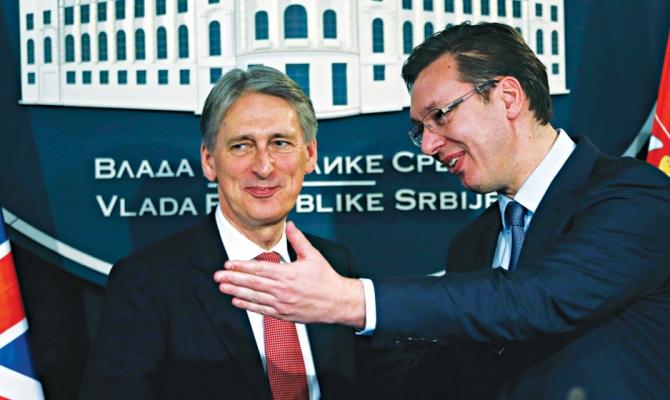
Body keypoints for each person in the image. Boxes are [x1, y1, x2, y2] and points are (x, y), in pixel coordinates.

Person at [213, 22, 670, 399]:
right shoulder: (473, 243)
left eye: (440, 115)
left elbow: (537, 298)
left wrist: (353, 300)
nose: (429, 144)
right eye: (420, 129)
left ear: (508, 97)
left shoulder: (634, 196)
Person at [79, 66, 358, 399]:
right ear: (209, 161)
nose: (264, 166)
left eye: (280, 143)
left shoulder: (334, 264)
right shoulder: (146, 281)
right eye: (241, 146)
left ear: (309, 155)